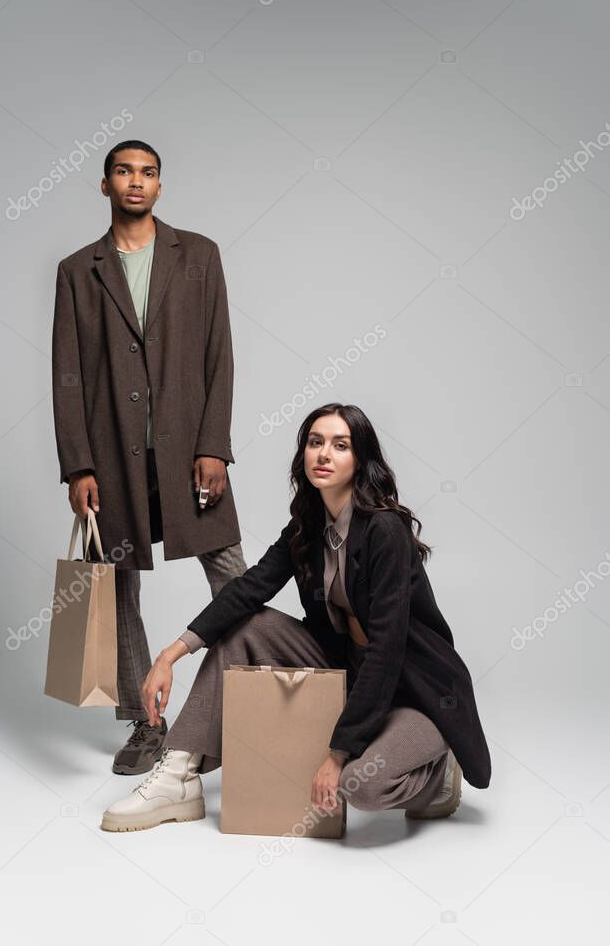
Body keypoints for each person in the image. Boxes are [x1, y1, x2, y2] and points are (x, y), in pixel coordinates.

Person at [100, 403, 492, 833]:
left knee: (361, 786)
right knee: (248, 623)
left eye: (340, 446)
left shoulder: (385, 531)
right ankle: (178, 775)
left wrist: (337, 755)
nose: (324, 454)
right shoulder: (308, 524)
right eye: (315, 442)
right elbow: (249, 588)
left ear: (360, 459)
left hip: (414, 691)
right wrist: (170, 654)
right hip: (348, 671)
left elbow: (386, 651)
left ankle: (437, 772)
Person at [51, 140, 247, 775]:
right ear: (104, 185)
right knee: (118, 589)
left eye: (149, 172)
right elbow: (68, 373)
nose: (137, 182)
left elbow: (220, 355)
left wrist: (214, 444)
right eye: (124, 172)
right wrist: (79, 464)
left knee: (233, 575)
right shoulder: (79, 270)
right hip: (113, 456)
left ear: (160, 186)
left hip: (189, 451)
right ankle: (145, 725)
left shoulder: (199, 256)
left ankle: (243, 710)